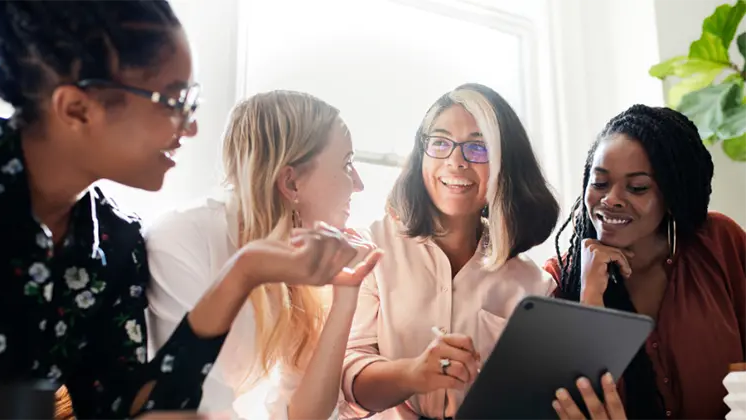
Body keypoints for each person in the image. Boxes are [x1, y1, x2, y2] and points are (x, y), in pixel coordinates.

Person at [0, 2, 373, 418]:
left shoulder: (114, 243)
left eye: (191, 101)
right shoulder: (170, 237)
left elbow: (130, 405)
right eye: (173, 101)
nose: (191, 127)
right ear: (76, 109)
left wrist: (243, 272)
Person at [145, 90, 383, 420]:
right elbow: (186, 402)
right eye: (346, 164)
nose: (358, 184)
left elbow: (304, 414)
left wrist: (346, 296)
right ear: (291, 183)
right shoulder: (183, 240)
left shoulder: (299, 263)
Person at [340, 83, 560, 419]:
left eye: (477, 147)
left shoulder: (535, 285)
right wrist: (413, 374)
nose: (456, 161)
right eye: (440, 143)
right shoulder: (372, 249)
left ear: (506, 164)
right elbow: (348, 378)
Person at [546, 104, 746, 420]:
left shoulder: (720, 245)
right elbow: (561, 404)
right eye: (599, 183)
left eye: (637, 187)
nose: (610, 199)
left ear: (673, 193)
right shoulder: (559, 280)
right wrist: (590, 299)